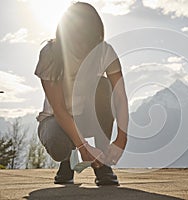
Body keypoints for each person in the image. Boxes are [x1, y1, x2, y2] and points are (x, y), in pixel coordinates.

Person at [34, 2, 128, 186]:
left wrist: (121, 138)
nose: (82, 45)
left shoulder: (105, 51)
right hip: (55, 121)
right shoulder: (50, 54)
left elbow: (119, 97)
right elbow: (59, 109)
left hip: (86, 118)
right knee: (59, 146)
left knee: (104, 87)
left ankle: (102, 164)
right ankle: (66, 161)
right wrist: (83, 147)